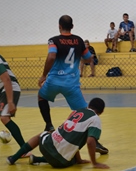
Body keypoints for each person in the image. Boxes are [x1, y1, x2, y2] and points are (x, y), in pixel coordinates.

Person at [37, 15, 109, 155]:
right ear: (72, 26)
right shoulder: (79, 41)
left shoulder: (54, 40)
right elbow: (88, 58)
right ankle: (95, 141)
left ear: (59, 26)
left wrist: (44, 75)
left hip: (54, 81)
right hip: (72, 83)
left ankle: (49, 125)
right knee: (86, 114)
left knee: (41, 96)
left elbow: (51, 56)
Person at [7, 98, 109, 169]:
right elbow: (90, 142)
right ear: (102, 111)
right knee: (69, 158)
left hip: (46, 145)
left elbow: (70, 135)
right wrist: (94, 163)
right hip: (60, 162)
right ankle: (38, 159)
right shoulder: (95, 119)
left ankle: (14, 158)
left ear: (88, 105)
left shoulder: (77, 111)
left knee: (41, 135)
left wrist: (79, 160)